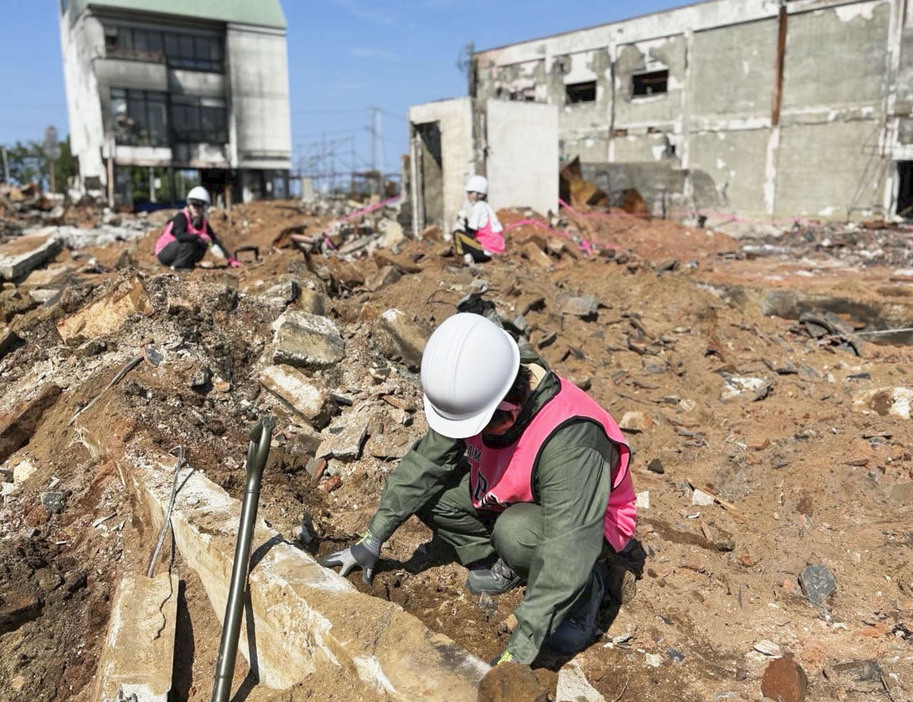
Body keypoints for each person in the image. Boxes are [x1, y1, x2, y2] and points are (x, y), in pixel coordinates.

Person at [320, 313, 637, 666]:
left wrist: (517, 656)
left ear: (508, 409)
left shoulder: (573, 440)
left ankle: (583, 597)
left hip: (586, 527)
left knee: (514, 532)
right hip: (522, 497)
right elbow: (426, 463)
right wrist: (372, 538)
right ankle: (516, 563)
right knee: (434, 498)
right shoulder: (479, 386)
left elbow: (570, 546)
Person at [154, 186, 241, 270]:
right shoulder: (181, 217)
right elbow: (179, 236)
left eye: (199, 205)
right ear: (189, 205)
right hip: (164, 253)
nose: (195, 208)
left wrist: (231, 259)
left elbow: (214, 241)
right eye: (193, 204)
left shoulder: (203, 222)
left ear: (204, 207)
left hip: (178, 250)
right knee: (190, 241)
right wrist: (198, 236)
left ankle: (187, 263)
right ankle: (178, 266)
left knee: (204, 242)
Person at [452, 175, 505, 264]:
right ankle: (468, 257)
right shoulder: (485, 206)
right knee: (465, 237)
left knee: (457, 234)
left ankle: (461, 259)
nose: (468, 195)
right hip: (495, 248)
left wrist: (463, 221)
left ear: (479, 194)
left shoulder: (478, 207)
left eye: (470, 192)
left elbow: (471, 231)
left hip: (487, 250)